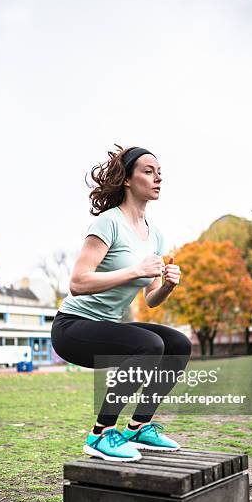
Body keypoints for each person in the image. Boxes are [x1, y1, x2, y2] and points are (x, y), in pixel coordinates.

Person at [51, 145, 192, 462]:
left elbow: (151, 299)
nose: (157, 178)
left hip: (108, 327)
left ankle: (138, 427)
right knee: (150, 345)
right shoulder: (108, 223)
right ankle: (100, 434)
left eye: (159, 173)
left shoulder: (154, 235)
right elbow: (78, 281)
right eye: (148, 171)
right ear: (127, 179)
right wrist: (136, 270)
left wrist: (167, 285)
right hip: (73, 328)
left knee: (178, 345)